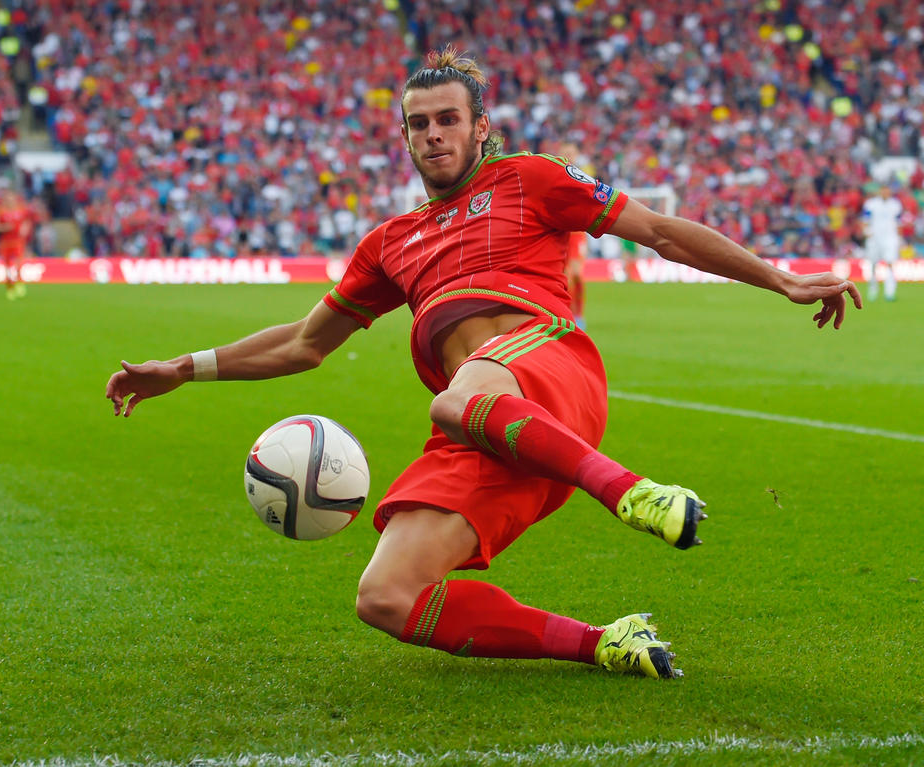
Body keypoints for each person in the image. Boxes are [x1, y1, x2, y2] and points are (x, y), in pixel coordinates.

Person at [105, 48, 861, 679]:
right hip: (483, 426)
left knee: (454, 396)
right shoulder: (388, 242)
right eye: (418, 124)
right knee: (386, 595)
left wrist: (781, 277)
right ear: (405, 137)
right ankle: (605, 640)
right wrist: (180, 367)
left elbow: (660, 231)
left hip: (549, 368)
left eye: (447, 120)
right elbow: (305, 341)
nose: (433, 135)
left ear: (479, 128)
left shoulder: (531, 179)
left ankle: (633, 492)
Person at [861, 183, 902, 301]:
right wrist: (866, 232)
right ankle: (873, 290)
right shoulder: (871, 204)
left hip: (890, 238)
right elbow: (865, 220)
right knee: (873, 264)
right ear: (880, 191)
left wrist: (899, 238)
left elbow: (898, 222)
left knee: (890, 263)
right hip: (874, 238)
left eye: (887, 191)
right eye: (883, 190)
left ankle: (890, 292)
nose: (885, 193)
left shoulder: (895, 205)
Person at [0, 188, 33, 300]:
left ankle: (19, 283)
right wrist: (5, 228)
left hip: (18, 241)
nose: (10, 201)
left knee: (19, 263)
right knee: (8, 267)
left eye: (11, 198)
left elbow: (28, 221)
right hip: (5, 243)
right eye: (7, 199)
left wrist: (25, 228)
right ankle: (10, 287)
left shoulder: (21, 209)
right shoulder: (1, 211)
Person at [565, 230, 588, 329]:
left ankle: (578, 314)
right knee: (566, 275)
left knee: (576, 274)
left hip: (577, 232)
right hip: (560, 232)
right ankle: (569, 314)